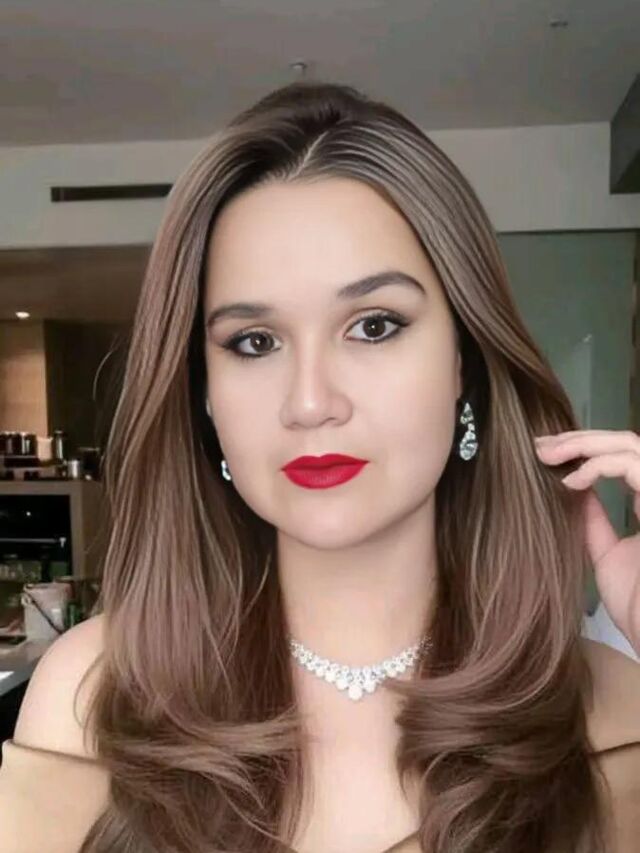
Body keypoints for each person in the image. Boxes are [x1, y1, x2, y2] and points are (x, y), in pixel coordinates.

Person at [1, 81, 639, 853]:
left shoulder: (612, 711)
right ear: (204, 394)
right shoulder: (93, 694)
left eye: (373, 326)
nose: (310, 402)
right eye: (255, 342)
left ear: (464, 360)